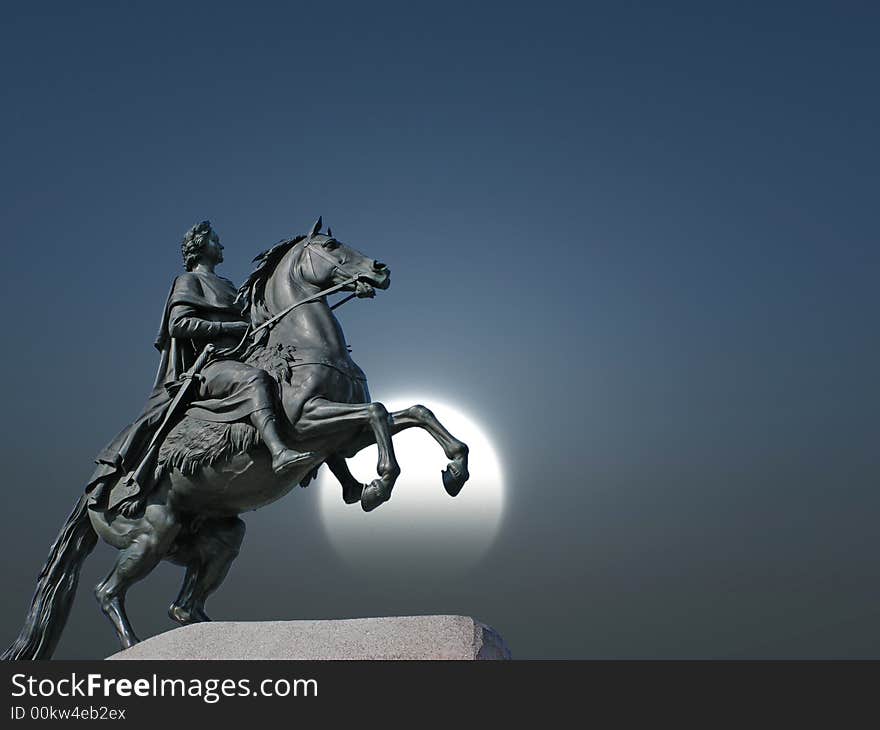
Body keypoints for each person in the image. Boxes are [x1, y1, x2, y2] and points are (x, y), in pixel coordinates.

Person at [85, 221, 312, 516]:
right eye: (216, 241)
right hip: (209, 366)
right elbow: (178, 324)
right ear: (200, 247)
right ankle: (279, 451)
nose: (221, 246)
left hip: (240, 357)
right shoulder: (188, 281)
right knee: (255, 380)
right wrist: (227, 326)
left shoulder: (229, 285)